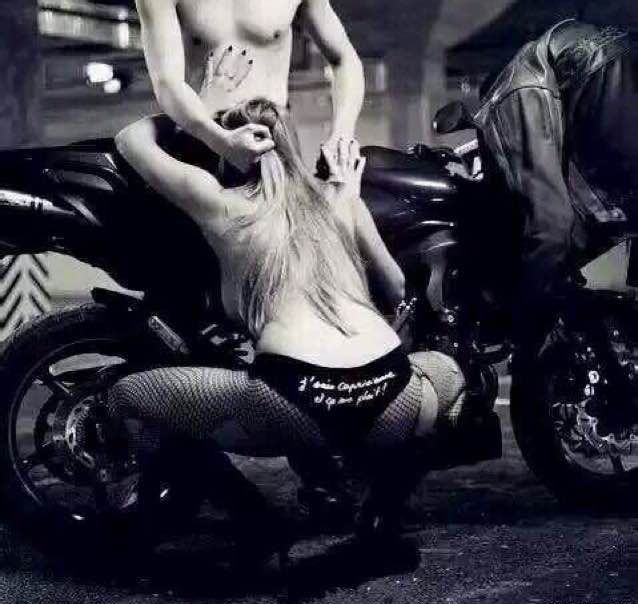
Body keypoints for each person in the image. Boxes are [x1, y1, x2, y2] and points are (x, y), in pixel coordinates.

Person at [109, 98, 470, 558]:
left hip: (294, 402)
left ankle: (253, 517)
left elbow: (130, 139)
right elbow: (398, 287)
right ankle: (383, 505)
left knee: (127, 397)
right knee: (449, 373)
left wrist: (205, 126)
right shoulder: (339, 197)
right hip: (391, 393)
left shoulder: (220, 203)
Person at [474, 19, 638, 425]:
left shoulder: (508, 93)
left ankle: (531, 343)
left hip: (586, 60)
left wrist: (525, 332)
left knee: (551, 226)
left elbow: (549, 225)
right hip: (608, 51)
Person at [135, 0, 365, 176]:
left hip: (275, 142)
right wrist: (220, 140)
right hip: (202, 137)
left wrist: (342, 134)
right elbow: (167, 83)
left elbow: (345, 59)